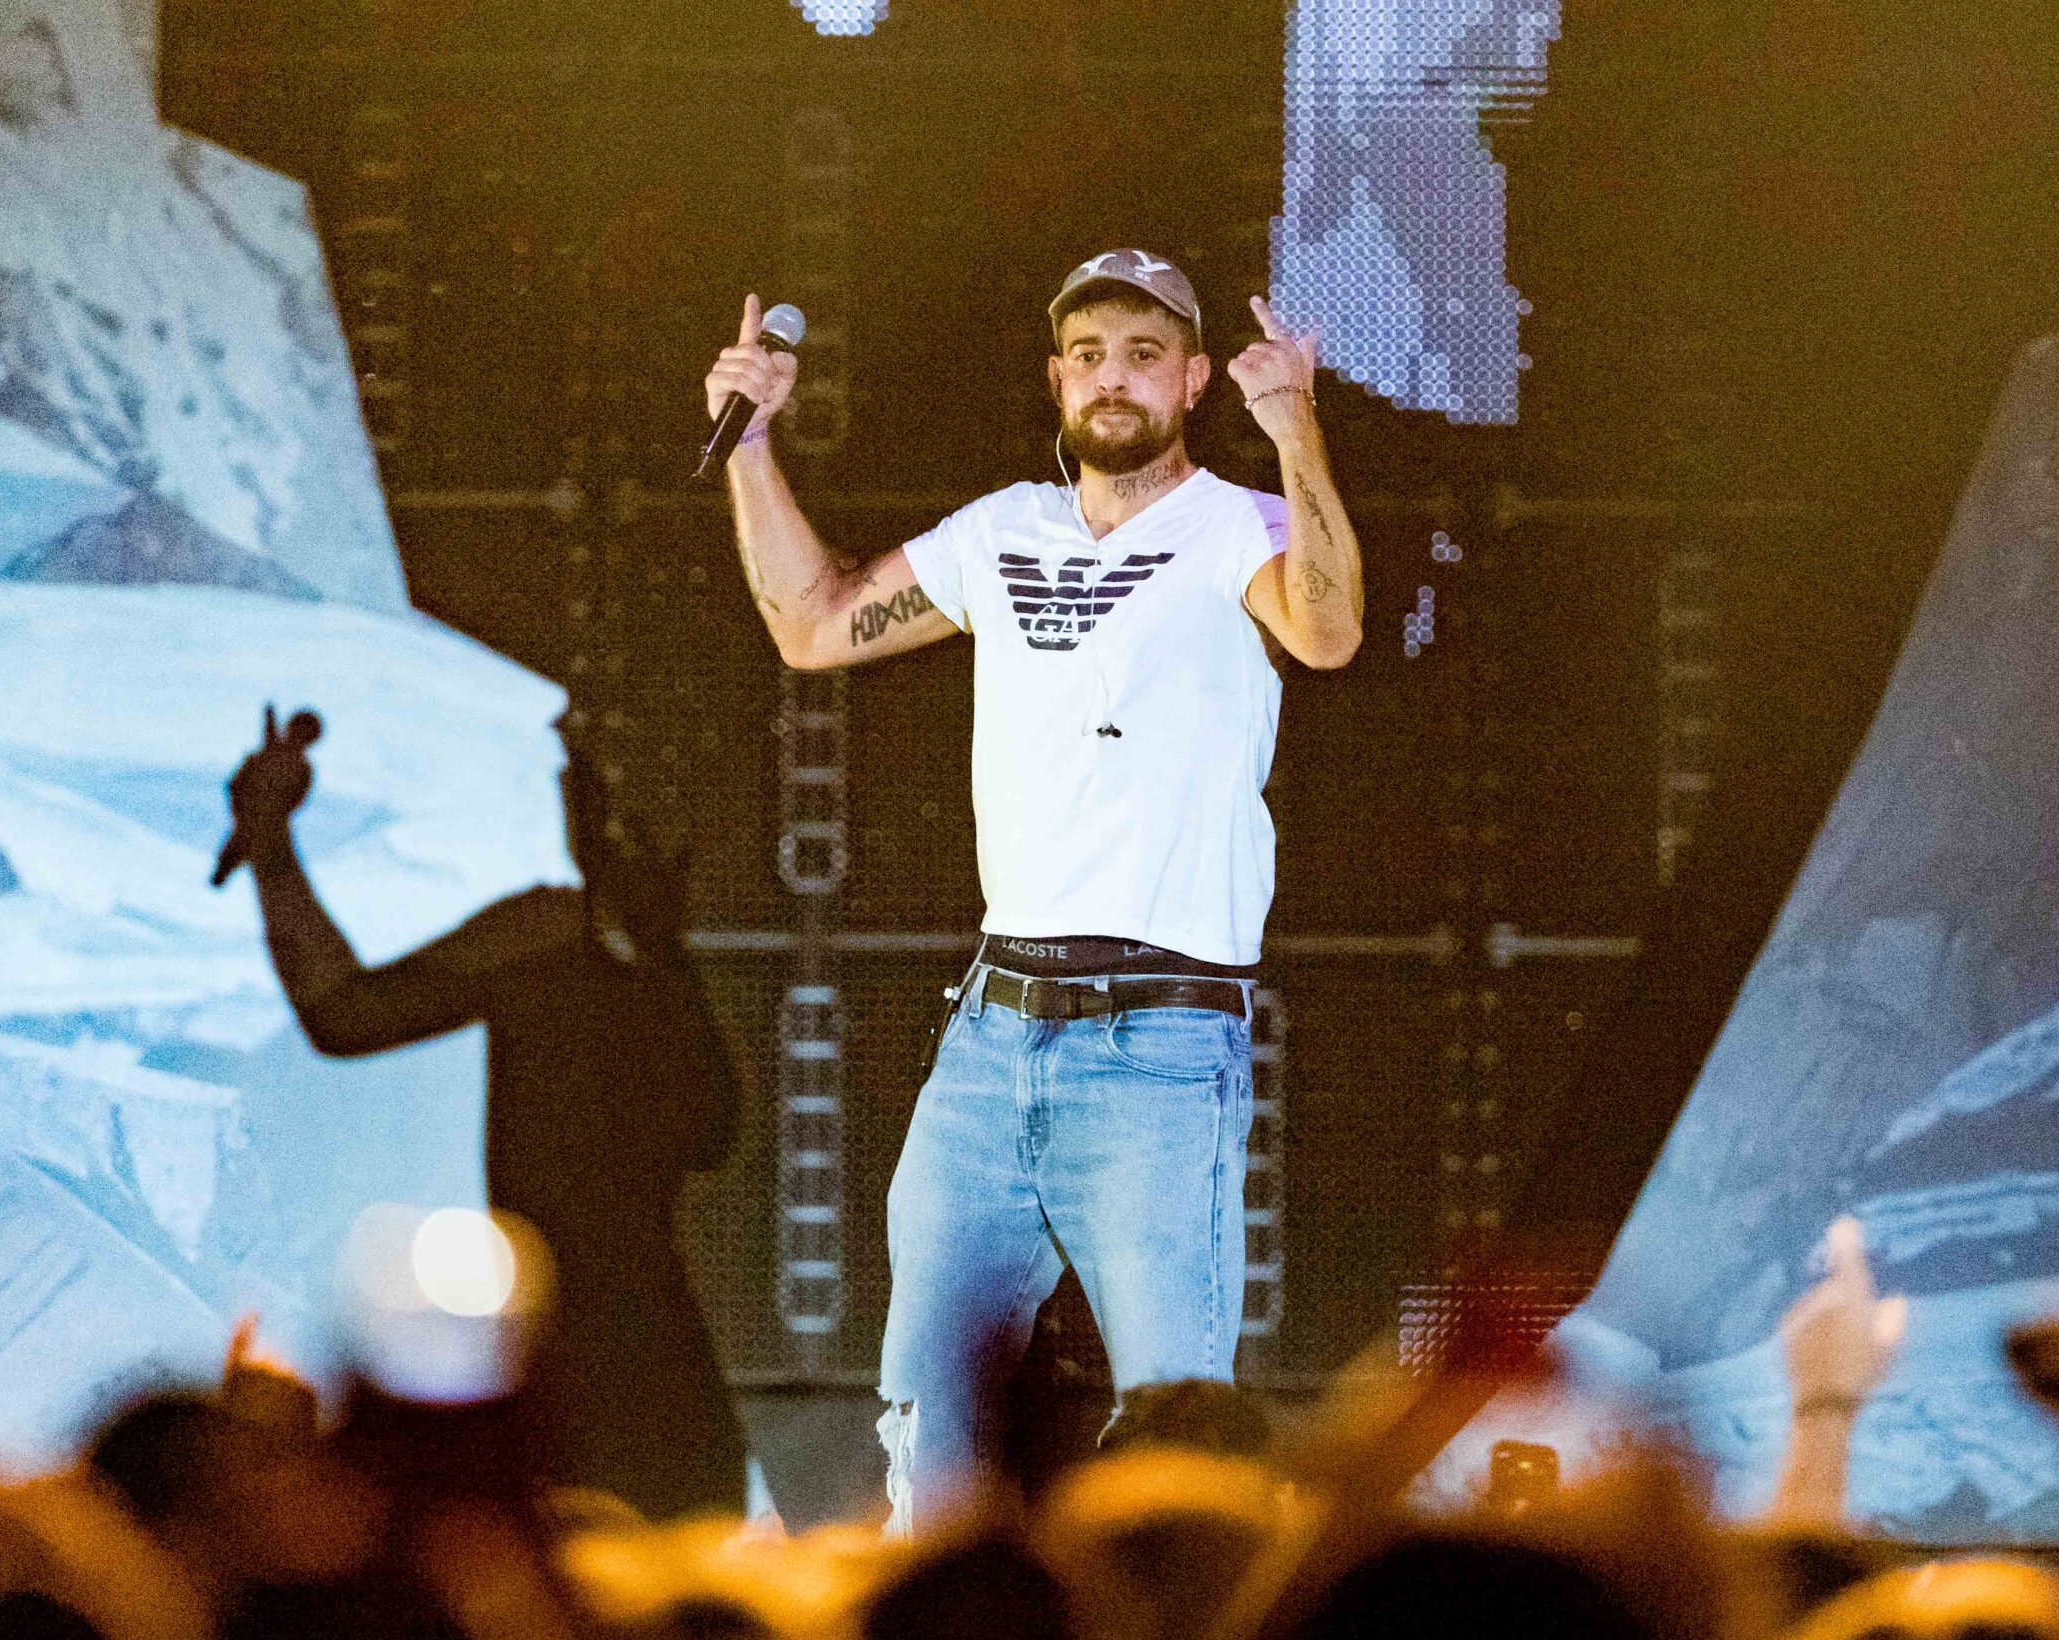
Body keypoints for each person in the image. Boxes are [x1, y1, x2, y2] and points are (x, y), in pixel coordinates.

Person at [704, 248, 1363, 1527]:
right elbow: (814, 624)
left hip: (1159, 1038)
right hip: (990, 1039)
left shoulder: (1241, 524)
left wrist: (1294, 428)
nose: (1113, 379)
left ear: (1191, 379)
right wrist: (751, 442)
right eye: (1088, 355)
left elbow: (1327, 632)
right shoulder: (1001, 530)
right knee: (929, 1419)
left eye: (1142, 355)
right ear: (1056, 378)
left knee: (1176, 1433)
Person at [224, 716, 748, 1519]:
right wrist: (270, 845)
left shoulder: (610, 951)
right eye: (590, 793)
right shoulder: (552, 939)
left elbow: (710, 1130)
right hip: (590, 1353)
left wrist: (269, 843)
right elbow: (346, 1014)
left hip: (628, 1355)